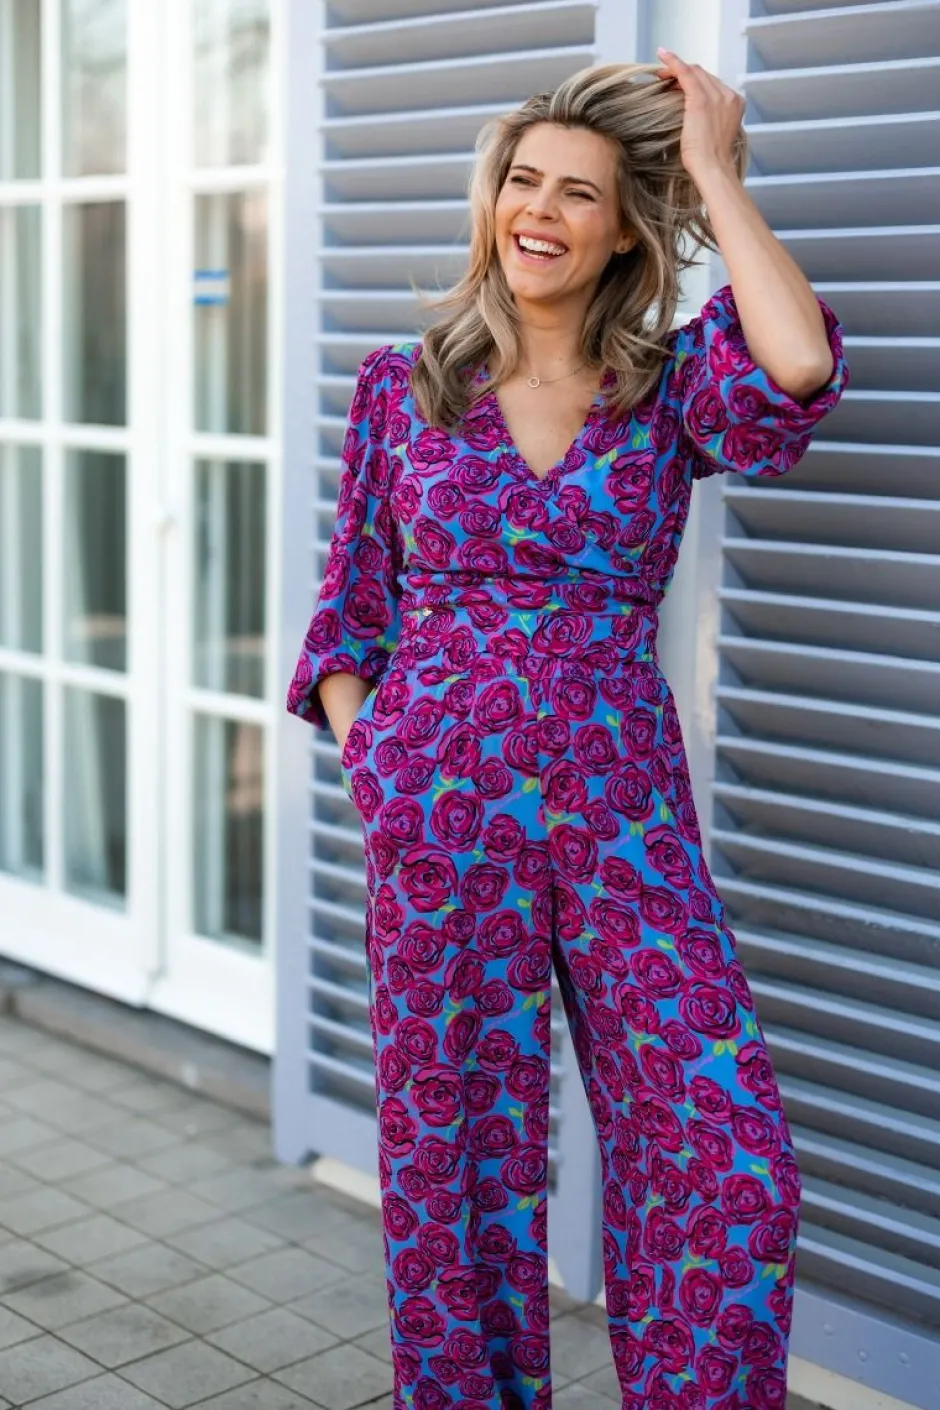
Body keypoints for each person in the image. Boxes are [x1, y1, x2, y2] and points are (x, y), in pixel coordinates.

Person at [286, 52, 849, 1410]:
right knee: (453, 1170)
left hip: (623, 819)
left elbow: (799, 364)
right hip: (440, 813)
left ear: (625, 230)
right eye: (522, 182)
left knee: (727, 1160)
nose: (538, 210)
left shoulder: (671, 385)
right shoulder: (405, 386)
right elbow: (348, 614)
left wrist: (713, 167)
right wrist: (377, 763)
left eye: (578, 192)